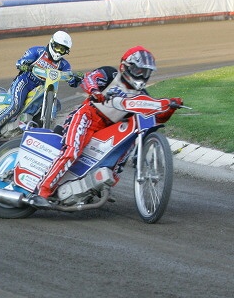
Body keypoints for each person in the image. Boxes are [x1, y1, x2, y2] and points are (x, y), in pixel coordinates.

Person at [30, 45, 183, 208]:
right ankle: (41, 192)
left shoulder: (142, 95)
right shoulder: (110, 74)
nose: (142, 75)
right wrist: (96, 92)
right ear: (126, 67)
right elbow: (89, 79)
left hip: (108, 129)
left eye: (146, 72)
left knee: (121, 151)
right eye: (138, 70)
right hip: (87, 116)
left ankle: (96, 186)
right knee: (72, 151)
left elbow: (156, 117)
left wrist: (170, 107)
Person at [0, 30, 81, 143]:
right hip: (25, 81)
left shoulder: (64, 65)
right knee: (16, 106)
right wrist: (24, 65)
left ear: (66, 51)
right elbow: (20, 62)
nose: (58, 51)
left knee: (57, 105)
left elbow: (71, 80)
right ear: (52, 43)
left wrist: (77, 79)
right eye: (57, 47)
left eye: (62, 49)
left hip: (43, 88)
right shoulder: (37, 51)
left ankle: (37, 132)